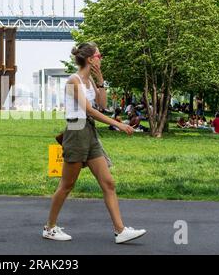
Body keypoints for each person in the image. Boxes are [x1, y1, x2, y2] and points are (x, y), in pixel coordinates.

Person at [43, 42, 147, 244]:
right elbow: (89, 110)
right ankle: (50, 228)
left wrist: (100, 80)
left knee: (108, 183)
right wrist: (119, 124)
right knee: (67, 185)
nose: (101, 58)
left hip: (89, 131)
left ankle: (120, 230)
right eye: (99, 56)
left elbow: (103, 104)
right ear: (90, 59)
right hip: (76, 131)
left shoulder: (89, 79)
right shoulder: (73, 81)